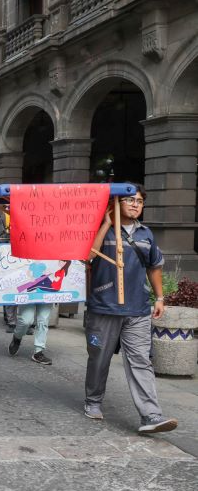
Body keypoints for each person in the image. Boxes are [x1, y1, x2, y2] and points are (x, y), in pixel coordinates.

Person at [84, 185, 177, 434]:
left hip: (137, 309)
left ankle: (150, 415)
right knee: (99, 359)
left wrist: (160, 297)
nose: (135, 204)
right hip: (103, 307)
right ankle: (93, 401)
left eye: (139, 201)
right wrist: (105, 223)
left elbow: (154, 266)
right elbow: (88, 256)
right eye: (129, 200)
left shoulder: (146, 234)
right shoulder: (101, 229)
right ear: (116, 203)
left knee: (141, 361)